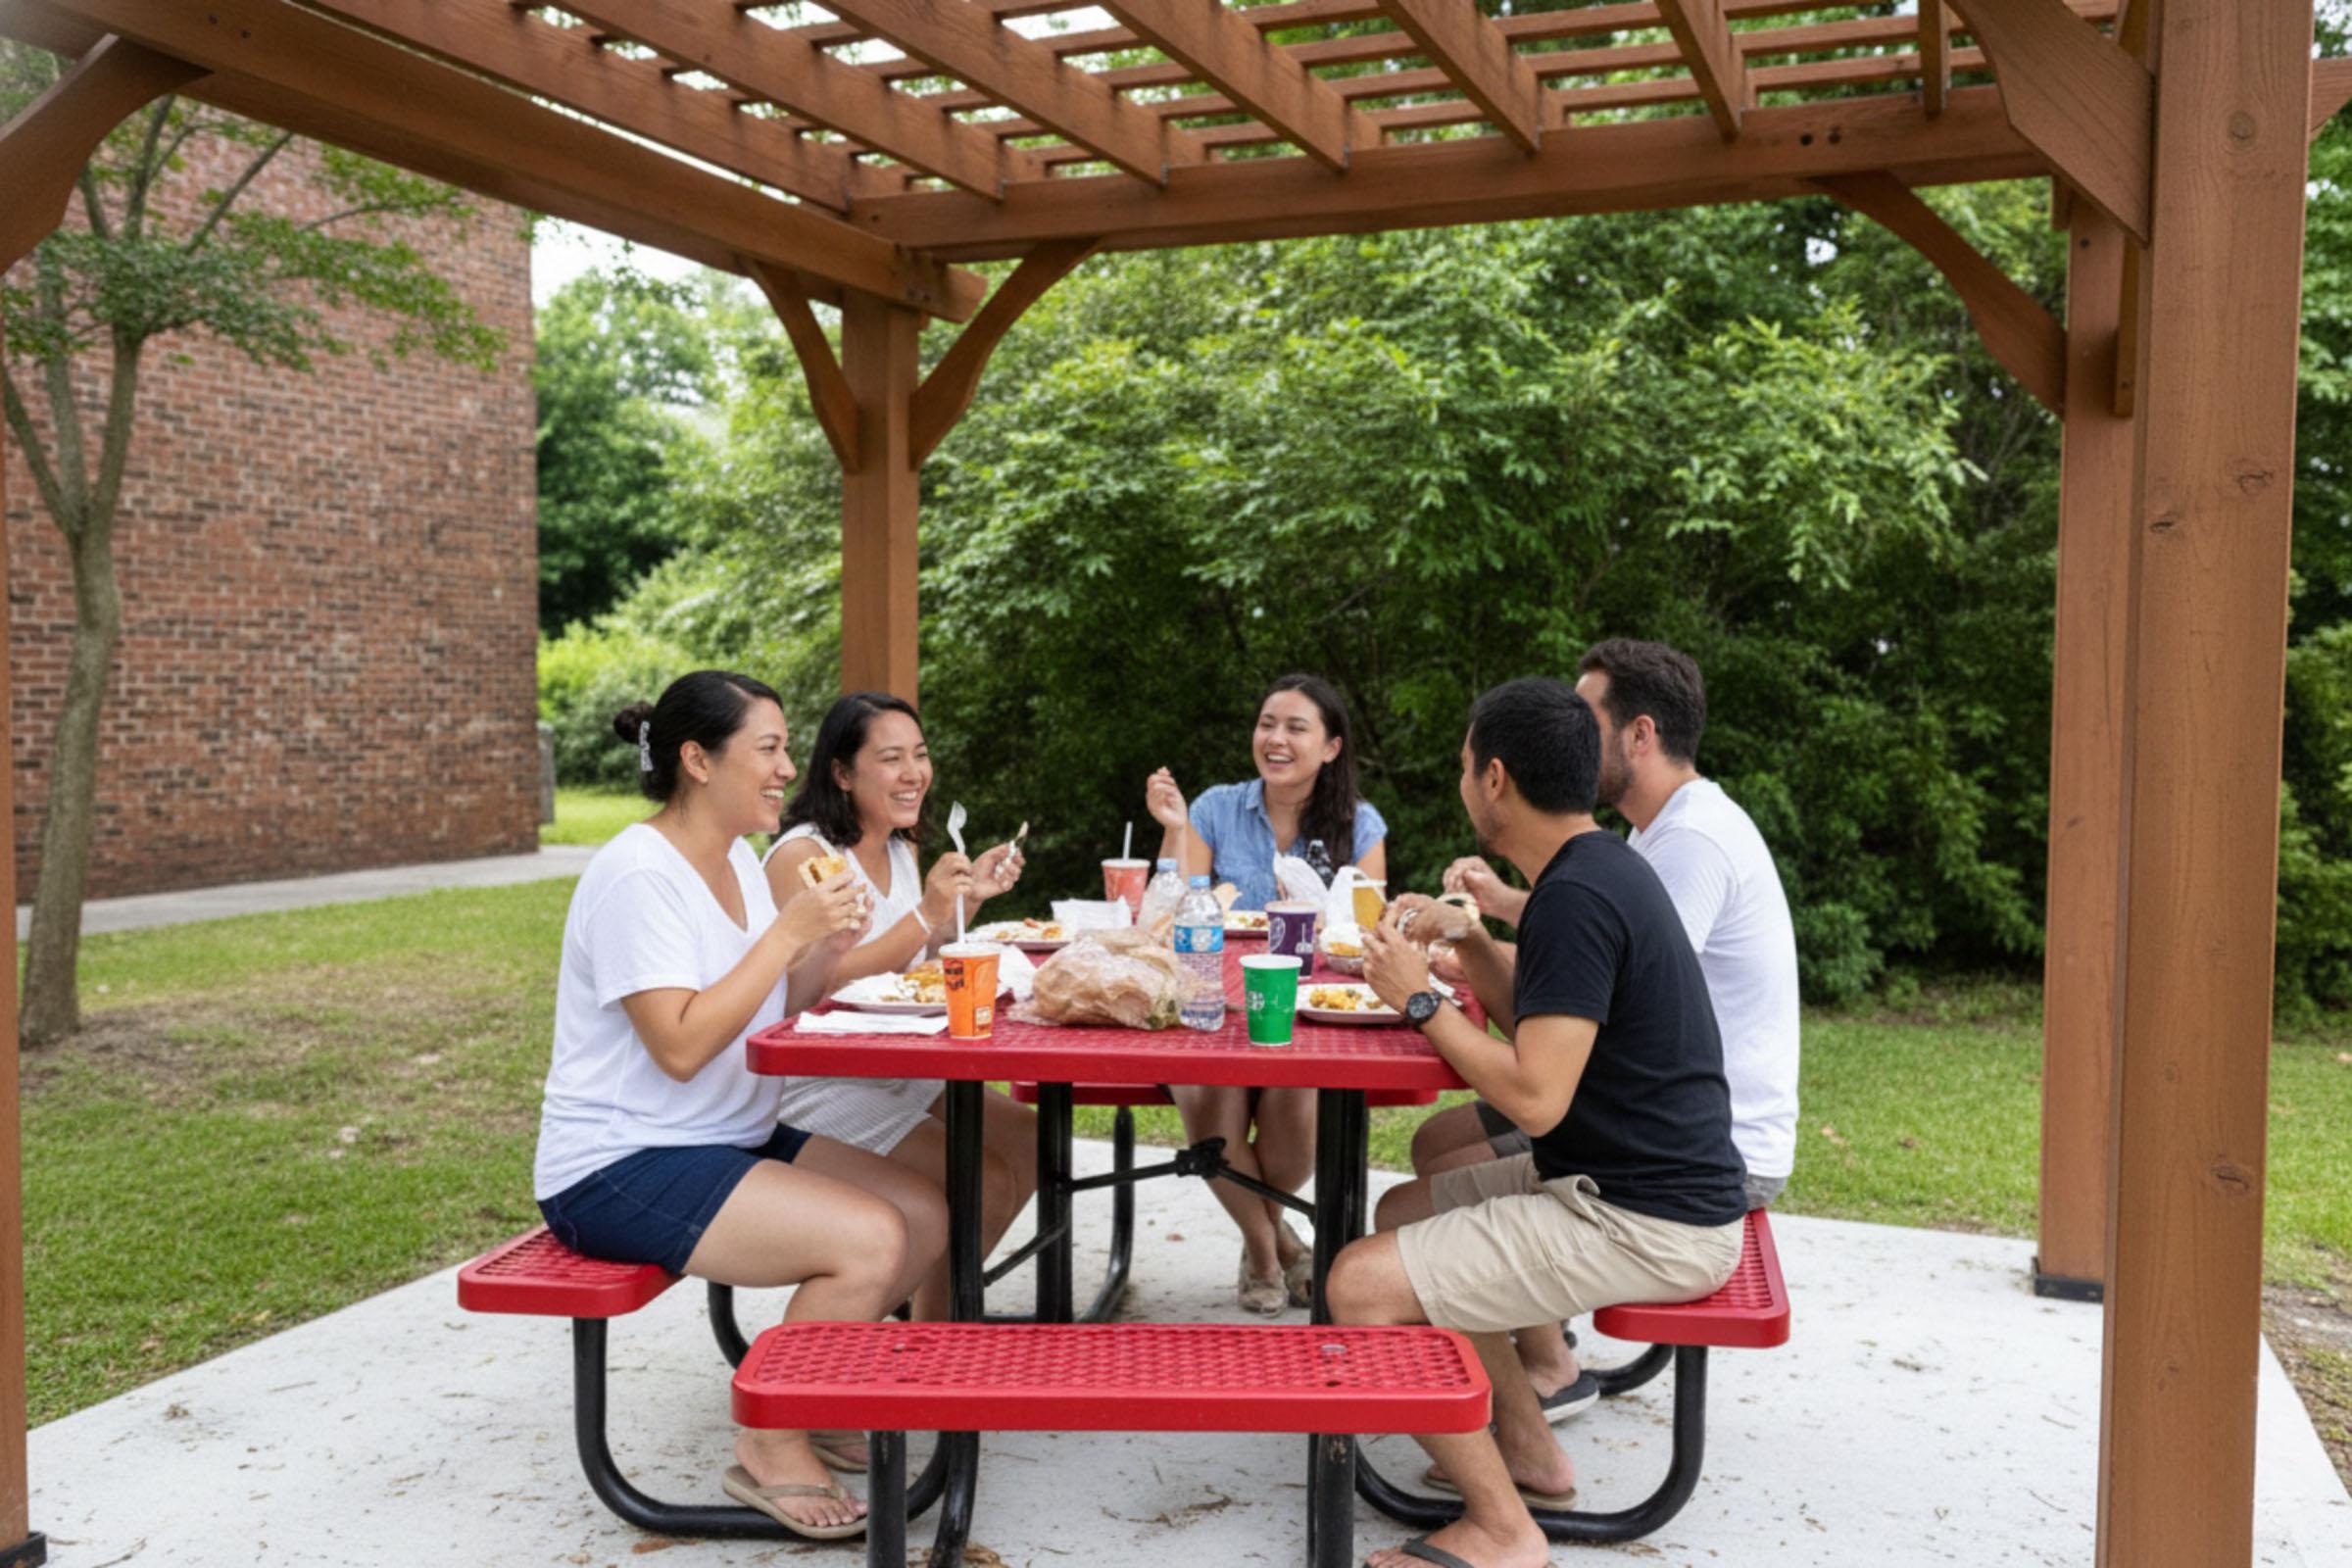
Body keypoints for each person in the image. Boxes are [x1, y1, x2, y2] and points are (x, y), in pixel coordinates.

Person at [1328, 677, 1746, 1568]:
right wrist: (1473, 945)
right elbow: (1547, 1028)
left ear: (1494, 780)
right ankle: (1528, 1454)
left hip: (1648, 1219)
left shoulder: (1579, 896)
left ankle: (1503, 1533)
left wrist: (1416, 1002)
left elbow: (1534, 1097)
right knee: (1409, 1213)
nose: (1463, 780)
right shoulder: (1591, 871)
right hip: (1633, 1185)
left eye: (1463, 765)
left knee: (1361, 1285)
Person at [533, 671, 950, 1540]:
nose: (784, 768)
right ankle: (766, 1438)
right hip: (618, 1164)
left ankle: (819, 1395)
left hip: (728, 1134)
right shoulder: (636, 876)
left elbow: (779, 999)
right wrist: (787, 935)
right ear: (696, 759)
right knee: (869, 1237)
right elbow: (681, 1046)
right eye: (768, 749)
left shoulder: (736, 865)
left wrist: (821, 946)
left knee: (922, 1209)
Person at [1414, 640, 1800, 1214]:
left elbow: (1600, 972)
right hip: (1630, 1093)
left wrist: (1426, 983)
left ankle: (1516, 1286)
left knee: (1440, 1183)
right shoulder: (1658, 827)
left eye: (1585, 723)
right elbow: (1597, 940)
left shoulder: (1691, 843)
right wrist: (1493, 911)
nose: (1568, 736)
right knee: (1433, 1142)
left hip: (1698, 1140)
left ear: (1640, 735)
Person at [762, 691, 1033, 1323]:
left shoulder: (898, 849)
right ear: (842, 772)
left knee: (1031, 1138)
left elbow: (910, 965)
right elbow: (819, 989)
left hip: (890, 1060)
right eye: (891, 758)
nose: (913, 772)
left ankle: (932, 1308)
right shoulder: (805, 858)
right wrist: (929, 912)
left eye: (920, 754)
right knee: (982, 1182)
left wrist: (968, 902)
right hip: (813, 1076)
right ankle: (927, 1337)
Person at [1143, 673, 1388, 1313]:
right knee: (1209, 1092)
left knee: (1294, 1129)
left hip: (1304, 1013)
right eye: (1267, 724)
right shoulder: (1215, 809)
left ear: (1331, 746)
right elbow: (1170, 915)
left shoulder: (1359, 825)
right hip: (1209, 1007)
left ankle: (1272, 1235)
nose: (1275, 739)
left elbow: (1367, 936)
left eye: (1295, 727)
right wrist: (1172, 829)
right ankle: (1266, 1246)